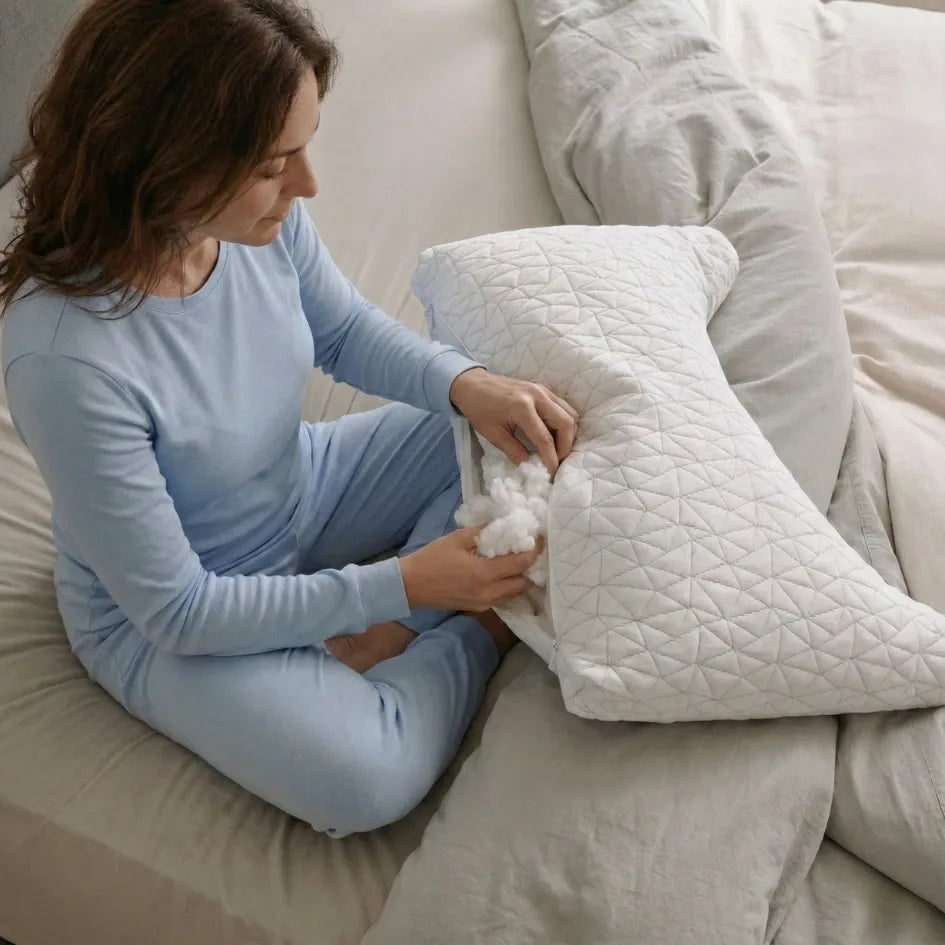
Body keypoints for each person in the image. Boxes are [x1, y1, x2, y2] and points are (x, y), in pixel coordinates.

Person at [0, 0, 577, 837]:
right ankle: (477, 624)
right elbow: (180, 610)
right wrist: (412, 585)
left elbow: (339, 331)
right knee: (365, 780)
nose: (306, 185)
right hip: (178, 610)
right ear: (169, 161)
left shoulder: (252, 221)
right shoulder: (62, 357)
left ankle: (387, 631)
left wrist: (466, 383)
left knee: (510, 426)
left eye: (302, 147)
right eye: (275, 164)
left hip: (297, 481)